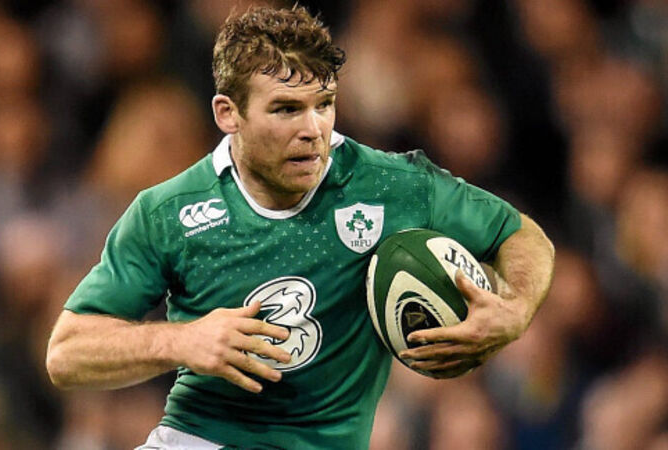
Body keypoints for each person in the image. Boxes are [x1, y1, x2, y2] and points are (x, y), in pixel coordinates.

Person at [45, 6, 555, 449]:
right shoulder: (169, 212)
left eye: (323, 104)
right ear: (228, 113)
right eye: (286, 109)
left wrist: (514, 309)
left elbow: (519, 234)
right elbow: (67, 353)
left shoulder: (391, 186)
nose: (312, 130)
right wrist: (181, 341)